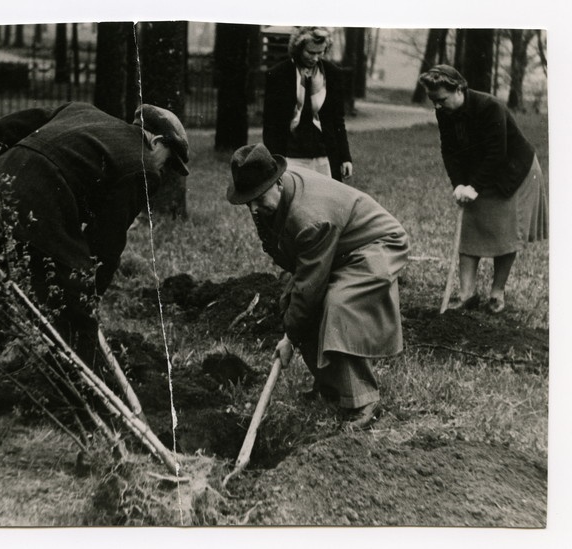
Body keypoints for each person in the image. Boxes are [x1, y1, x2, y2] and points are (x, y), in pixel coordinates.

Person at [0, 102, 190, 457]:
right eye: (168, 161)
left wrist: (10, 174)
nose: (163, 170)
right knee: (74, 320)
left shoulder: (80, 110)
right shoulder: (141, 165)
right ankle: (96, 431)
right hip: (42, 210)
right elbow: (106, 246)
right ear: (155, 142)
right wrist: (89, 298)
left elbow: (7, 124)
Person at [226, 143, 409, 430]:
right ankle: (330, 386)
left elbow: (310, 287)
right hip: (339, 249)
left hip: (377, 245)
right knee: (294, 304)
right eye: (247, 201)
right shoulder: (278, 196)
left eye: (258, 199)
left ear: (277, 183)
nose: (253, 208)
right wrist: (293, 324)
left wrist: (289, 338)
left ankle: (363, 400)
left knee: (337, 305)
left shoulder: (310, 217)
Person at [418, 65, 549, 314]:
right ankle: (467, 294)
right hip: (482, 170)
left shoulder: (490, 107)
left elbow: (496, 154)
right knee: (470, 227)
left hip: (515, 172)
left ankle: (497, 293)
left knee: (504, 232)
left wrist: (474, 186)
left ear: (459, 89)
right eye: (433, 101)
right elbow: (449, 151)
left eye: (441, 100)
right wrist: (458, 184)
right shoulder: (444, 112)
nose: (437, 106)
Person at [262, 26, 352, 182]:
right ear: (298, 48)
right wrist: (274, 160)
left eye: (320, 52)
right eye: (310, 52)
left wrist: (345, 158)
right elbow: (270, 123)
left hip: (324, 155)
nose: (316, 58)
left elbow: (338, 120)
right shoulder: (278, 74)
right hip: (291, 155)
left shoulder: (333, 74)